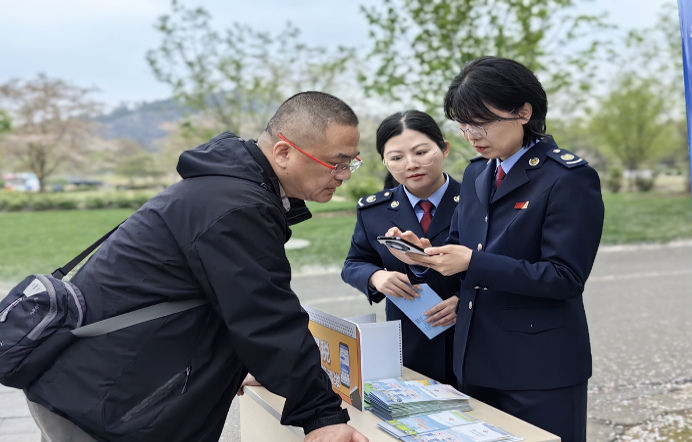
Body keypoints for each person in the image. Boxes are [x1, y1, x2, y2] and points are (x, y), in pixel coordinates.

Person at [24, 91, 369, 442]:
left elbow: (228, 304)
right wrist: (320, 414)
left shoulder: (226, 189)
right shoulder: (235, 206)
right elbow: (265, 316)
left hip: (96, 386)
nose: (344, 175)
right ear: (283, 152)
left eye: (351, 163)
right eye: (337, 163)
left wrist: (252, 367)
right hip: (104, 402)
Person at [383, 57, 604, 441]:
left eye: (482, 123)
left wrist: (474, 262)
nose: (472, 135)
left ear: (523, 111)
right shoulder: (477, 173)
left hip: (539, 369)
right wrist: (422, 255)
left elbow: (564, 277)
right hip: (474, 360)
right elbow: (457, 247)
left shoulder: (567, 177)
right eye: (464, 125)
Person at [341, 110, 460, 386]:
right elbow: (354, 263)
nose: (411, 164)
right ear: (384, 161)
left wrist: (466, 301)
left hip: (470, 338)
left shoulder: (476, 201)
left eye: (421, 152)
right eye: (396, 157)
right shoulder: (375, 210)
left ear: (444, 149)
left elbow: (496, 261)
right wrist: (376, 277)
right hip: (409, 342)